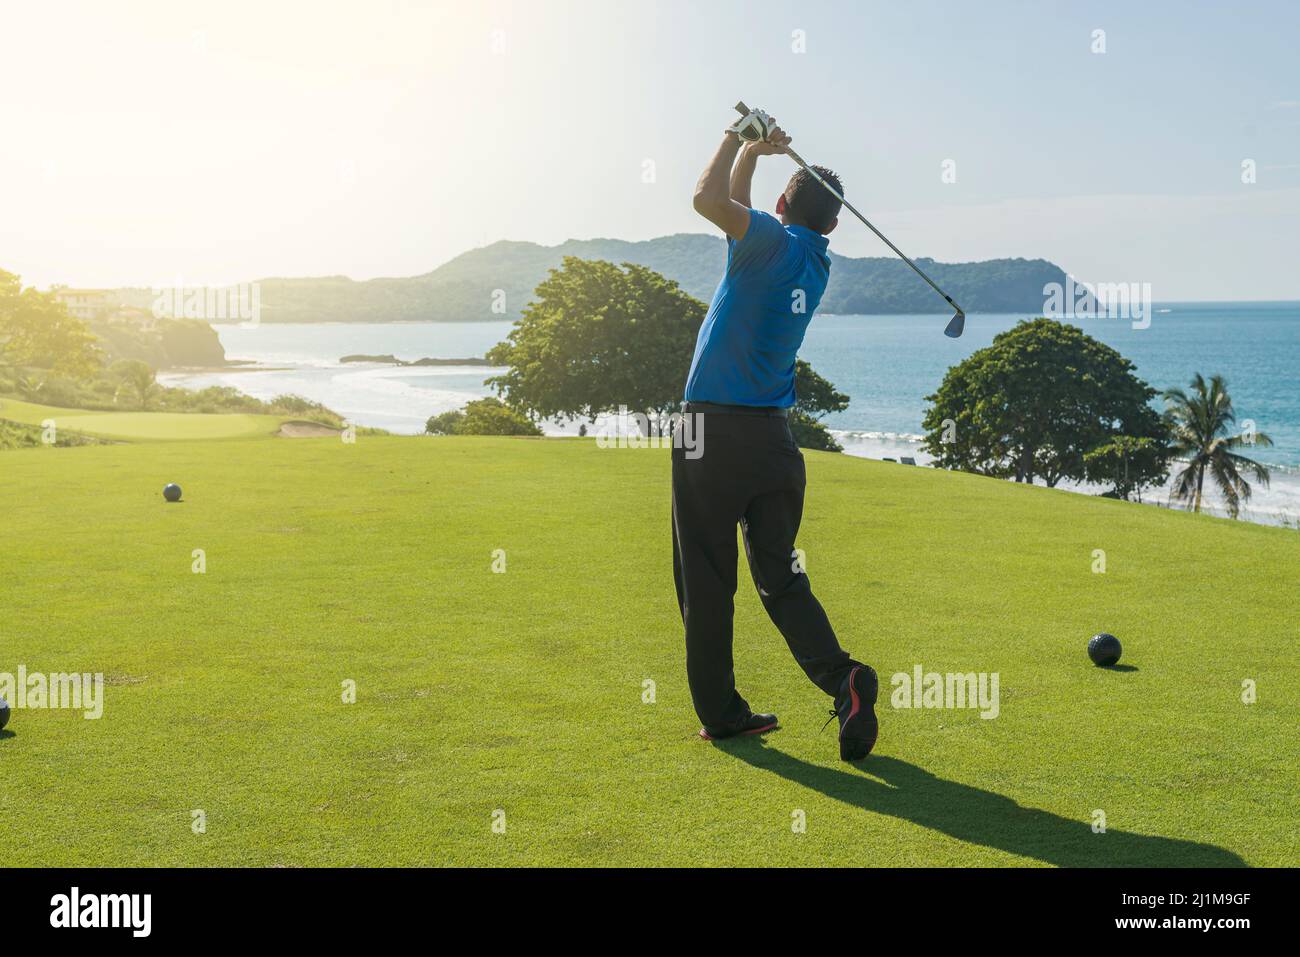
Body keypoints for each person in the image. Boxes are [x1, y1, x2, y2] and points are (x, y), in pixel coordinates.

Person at [673, 109, 878, 761]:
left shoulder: (763, 240)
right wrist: (758, 157)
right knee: (780, 576)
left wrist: (736, 136)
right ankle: (843, 678)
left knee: (706, 577)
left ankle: (724, 714)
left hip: (711, 433)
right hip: (774, 445)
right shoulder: (816, 264)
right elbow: (738, 205)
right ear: (836, 224)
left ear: (786, 201)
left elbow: (711, 201)